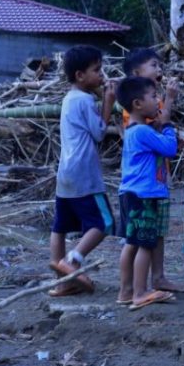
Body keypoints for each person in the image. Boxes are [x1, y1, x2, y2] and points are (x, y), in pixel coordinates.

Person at [49, 45, 117, 297]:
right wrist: (108, 102)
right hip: (84, 173)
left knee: (59, 227)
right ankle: (74, 260)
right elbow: (99, 132)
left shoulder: (69, 98)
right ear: (80, 76)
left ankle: (60, 282)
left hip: (65, 172)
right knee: (104, 222)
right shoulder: (87, 100)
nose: (102, 75)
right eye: (97, 70)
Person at [121, 47, 184, 293]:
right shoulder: (136, 107)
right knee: (143, 240)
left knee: (156, 233)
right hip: (145, 185)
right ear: (137, 73)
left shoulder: (149, 101)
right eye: (153, 66)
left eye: (160, 65)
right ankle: (137, 290)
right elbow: (161, 124)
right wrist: (169, 101)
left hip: (156, 179)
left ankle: (155, 279)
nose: (159, 70)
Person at [115, 76, 178, 310]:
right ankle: (140, 292)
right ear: (138, 104)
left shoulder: (132, 130)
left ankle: (126, 290)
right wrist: (168, 124)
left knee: (131, 243)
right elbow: (170, 148)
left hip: (130, 193)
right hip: (144, 195)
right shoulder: (142, 131)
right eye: (154, 96)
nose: (158, 101)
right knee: (145, 244)